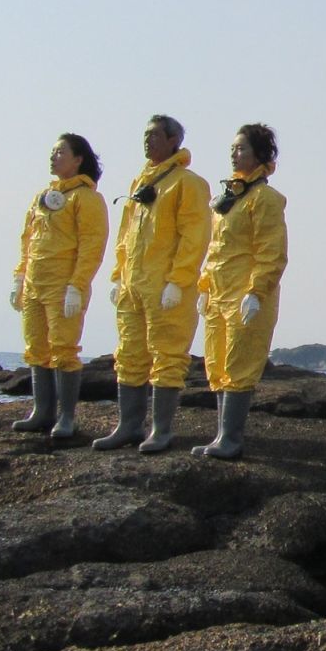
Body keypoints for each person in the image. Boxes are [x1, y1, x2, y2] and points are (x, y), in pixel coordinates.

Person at [92, 115, 213, 454]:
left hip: (167, 287)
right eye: (146, 135)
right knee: (129, 354)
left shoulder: (188, 183)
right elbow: (125, 236)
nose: (148, 141)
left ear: (174, 140)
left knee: (168, 356)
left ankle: (161, 430)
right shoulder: (140, 182)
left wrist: (178, 281)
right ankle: (128, 426)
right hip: (134, 285)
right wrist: (118, 276)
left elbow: (195, 235)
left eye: (156, 135)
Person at [193, 123, 287, 459]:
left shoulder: (265, 199)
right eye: (233, 148)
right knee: (217, 363)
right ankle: (221, 437)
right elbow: (216, 249)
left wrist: (257, 291)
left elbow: (271, 251)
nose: (235, 153)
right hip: (219, 293)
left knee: (239, 363)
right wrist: (204, 286)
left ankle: (231, 439)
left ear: (261, 155)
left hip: (246, 295)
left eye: (242, 148)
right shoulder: (229, 199)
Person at [10, 132, 110, 440]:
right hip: (36, 285)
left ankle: (66, 416)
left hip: (64, 286)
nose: (53, 157)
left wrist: (77, 285)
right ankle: (42, 412)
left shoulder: (87, 198)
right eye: (52, 152)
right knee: (36, 348)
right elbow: (28, 240)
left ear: (78, 160)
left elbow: (92, 245)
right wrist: (19, 277)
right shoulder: (43, 197)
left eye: (60, 152)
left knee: (64, 350)